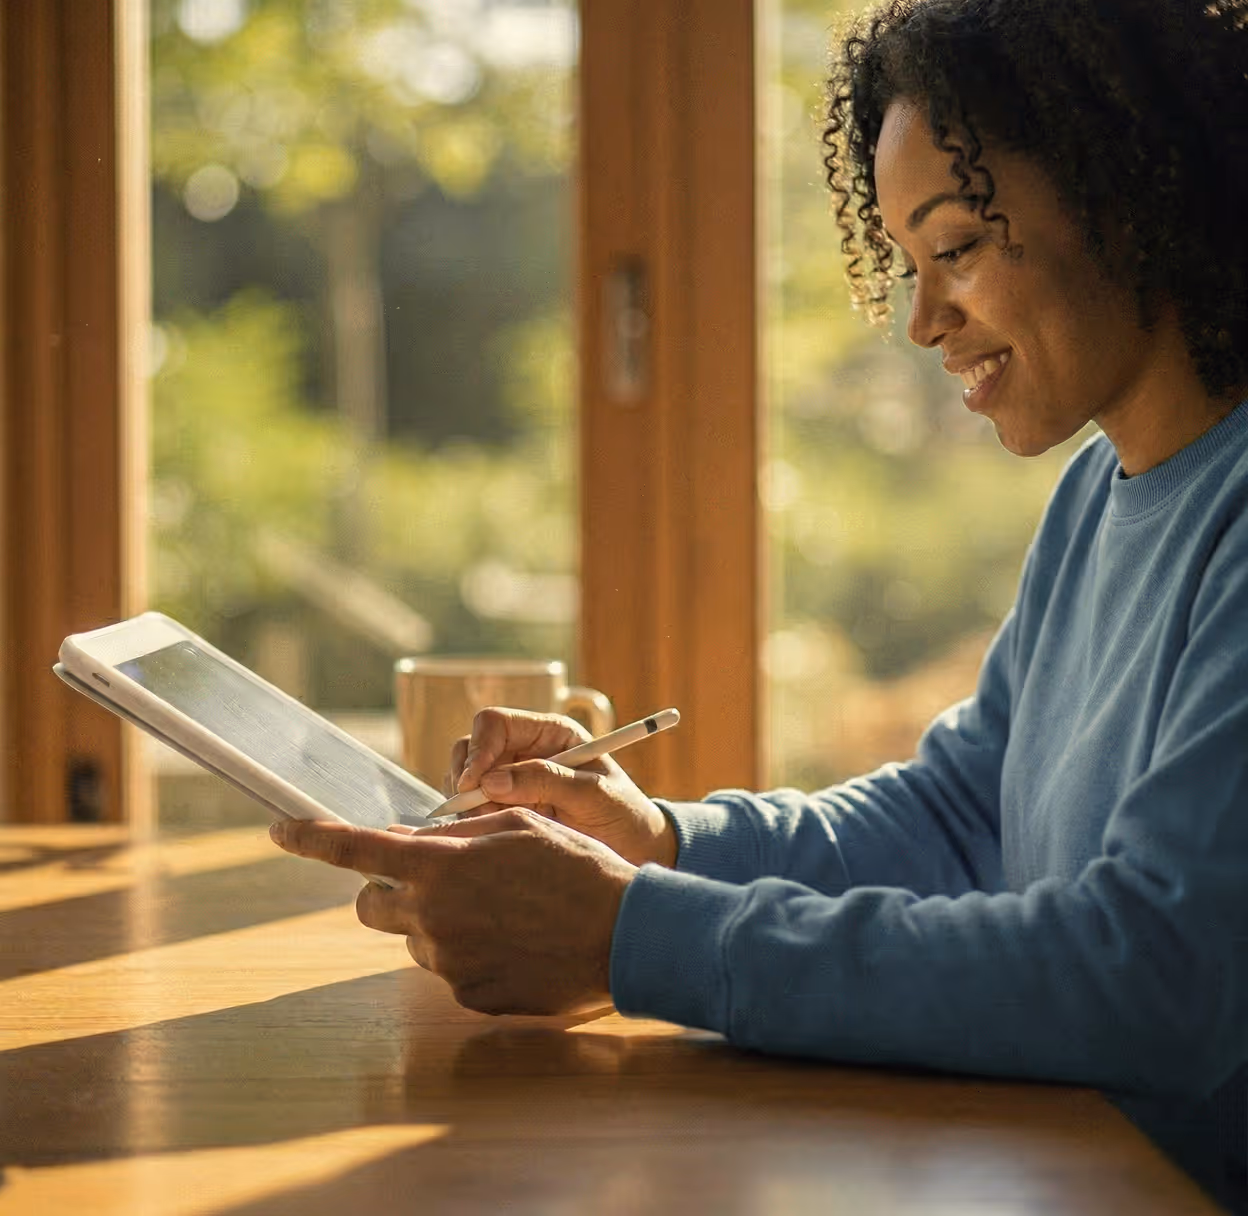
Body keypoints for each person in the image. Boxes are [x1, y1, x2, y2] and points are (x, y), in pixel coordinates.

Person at [269, 0, 1248, 1208]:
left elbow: (1154, 977)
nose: (924, 320)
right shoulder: (1103, 491)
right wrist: (660, 839)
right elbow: (962, 816)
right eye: (905, 264)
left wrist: (634, 936)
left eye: (956, 249)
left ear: (1125, 186)